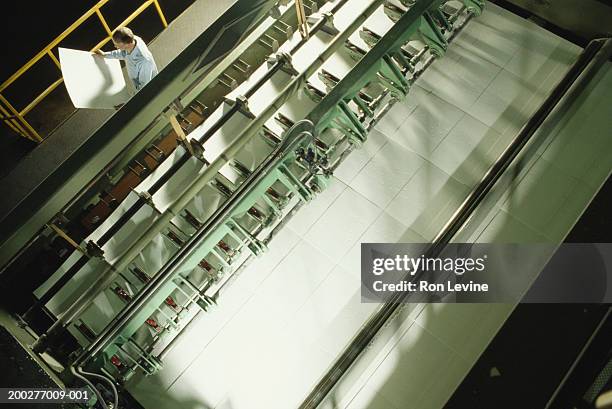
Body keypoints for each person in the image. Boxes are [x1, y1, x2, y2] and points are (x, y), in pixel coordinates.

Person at [94, 27, 158, 92]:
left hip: (150, 89)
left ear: (127, 44)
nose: (115, 47)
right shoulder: (132, 40)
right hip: (138, 83)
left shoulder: (143, 61)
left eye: (117, 45)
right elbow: (122, 53)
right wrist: (105, 55)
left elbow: (144, 86)